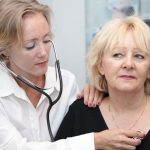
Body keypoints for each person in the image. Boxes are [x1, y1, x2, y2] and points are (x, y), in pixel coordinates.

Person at [0, 0, 105, 150]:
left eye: (47, 40)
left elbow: (76, 128)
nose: (43, 53)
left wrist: (94, 93)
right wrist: (93, 142)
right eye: (30, 46)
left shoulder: (66, 82)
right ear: (4, 51)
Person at [55, 16, 150, 150]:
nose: (128, 64)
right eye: (117, 55)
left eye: (139, 56)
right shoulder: (80, 112)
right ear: (100, 65)